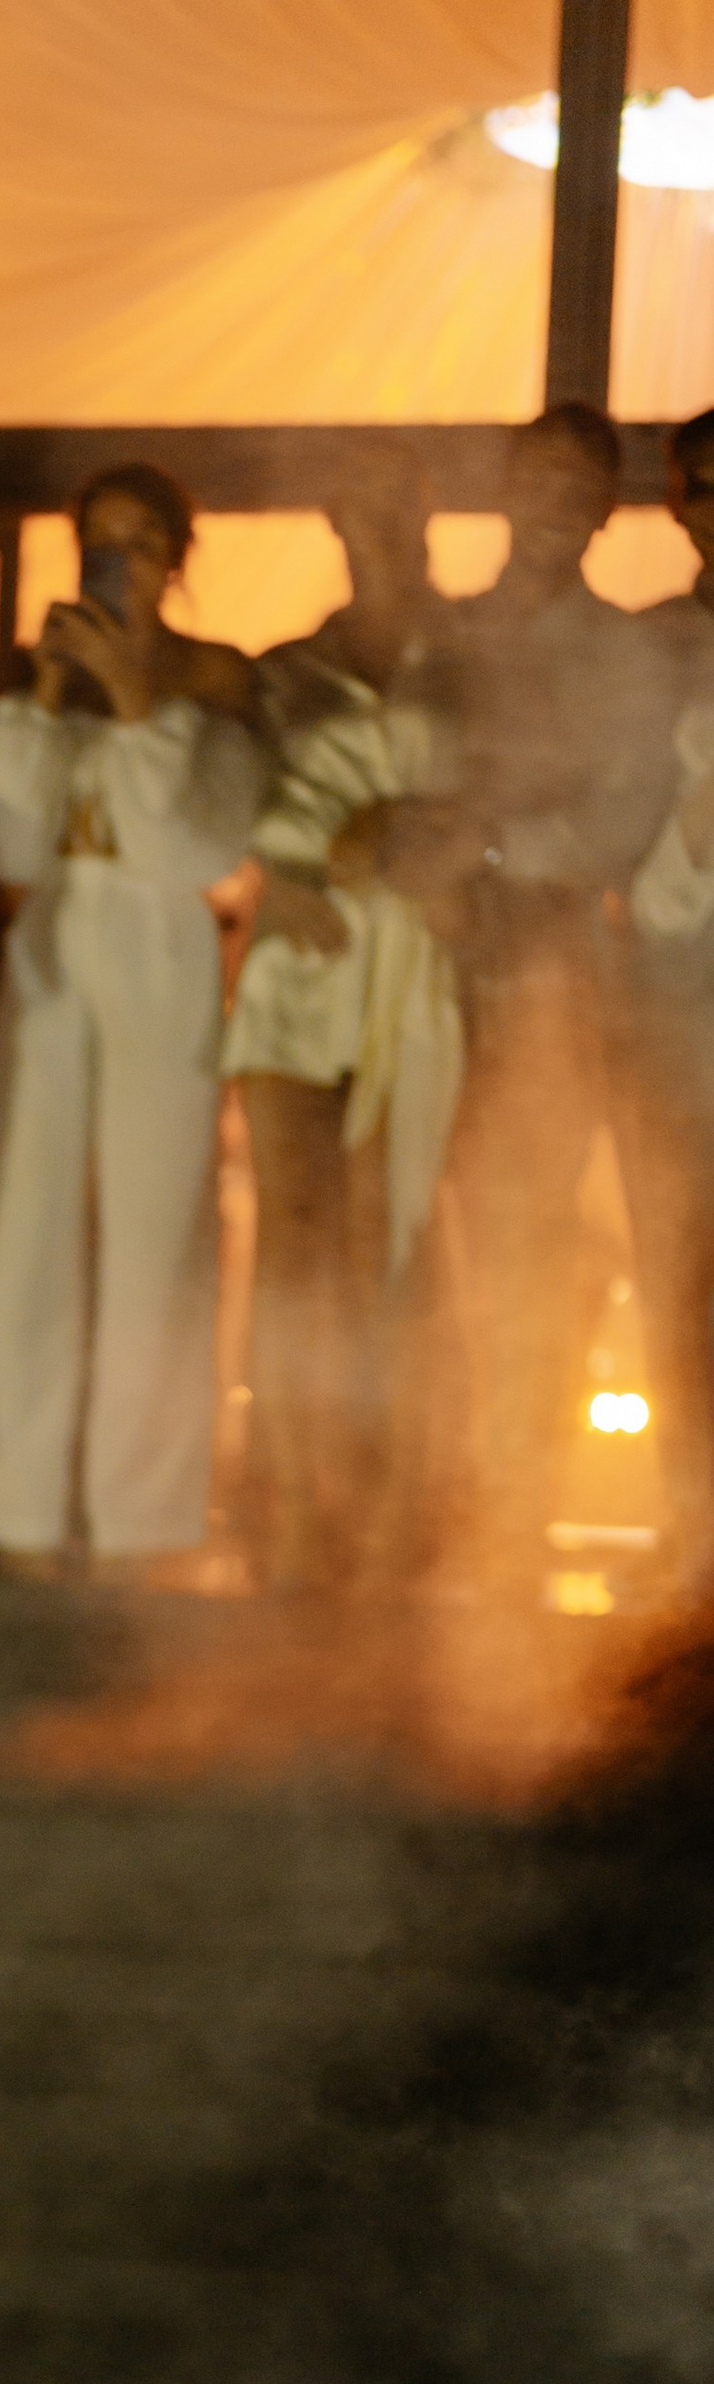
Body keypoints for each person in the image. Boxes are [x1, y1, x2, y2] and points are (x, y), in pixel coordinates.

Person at [0, 462, 267, 1573]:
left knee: (158, 1232)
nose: (122, 558)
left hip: (162, 942)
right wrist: (48, 693)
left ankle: (144, 1518)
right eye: (103, 537)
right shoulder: (40, 668)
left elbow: (196, 846)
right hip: (54, 942)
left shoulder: (217, 676)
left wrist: (138, 698)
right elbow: (6, 842)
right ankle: (19, 1512)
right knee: (30, 1228)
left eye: (143, 539)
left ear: (178, 555)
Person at [435, 404, 679, 1587]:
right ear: (504, 484)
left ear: (603, 507)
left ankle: (512, 1511)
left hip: (550, 974)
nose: (554, 503)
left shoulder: (624, 652)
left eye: (579, 486)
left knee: (536, 1248)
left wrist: (484, 849)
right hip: (421, 970)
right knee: (428, 1248)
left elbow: (619, 821)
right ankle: (426, 1503)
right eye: (536, 477)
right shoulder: (445, 631)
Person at [220, 467, 463, 1588]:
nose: (378, 532)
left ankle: (391, 1500)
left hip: (413, 964)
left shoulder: (467, 664)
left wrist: (419, 830)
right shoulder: (282, 673)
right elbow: (225, 795)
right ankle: (286, 1495)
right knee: (293, 1238)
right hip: (300, 962)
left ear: (422, 524)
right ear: (336, 522)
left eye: (395, 511)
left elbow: (507, 794)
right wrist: (282, 861)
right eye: (359, 510)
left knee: (393, 1227)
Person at [631, 411, 714, 1494]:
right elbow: (613, 824)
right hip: (675, 995)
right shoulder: (643, 646)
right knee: (682, 1262)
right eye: (700, 483)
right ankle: (690, 1532)